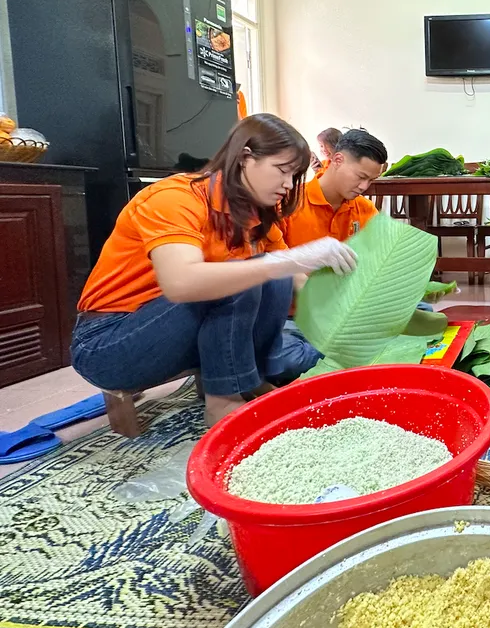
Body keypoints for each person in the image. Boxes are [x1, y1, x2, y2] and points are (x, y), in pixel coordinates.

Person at [71, 114, 358, 426]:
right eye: (282, 171)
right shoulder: (173, 198)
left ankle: (251, 381)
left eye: (293, 176)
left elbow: (293, 275)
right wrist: (291, 260)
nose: (288, 185)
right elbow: (181, 283)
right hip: (108, 344)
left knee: (273, 276)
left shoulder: (254, 213)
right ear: (245, 158)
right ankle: (223, 403)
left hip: (178, 332)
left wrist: (346, 316)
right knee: (247, 274)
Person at [281, 129, 387, 247]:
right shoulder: (288, 203)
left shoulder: (365, 209)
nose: (364, 186)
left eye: (371, 180)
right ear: (337, 160)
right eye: (361, 176)